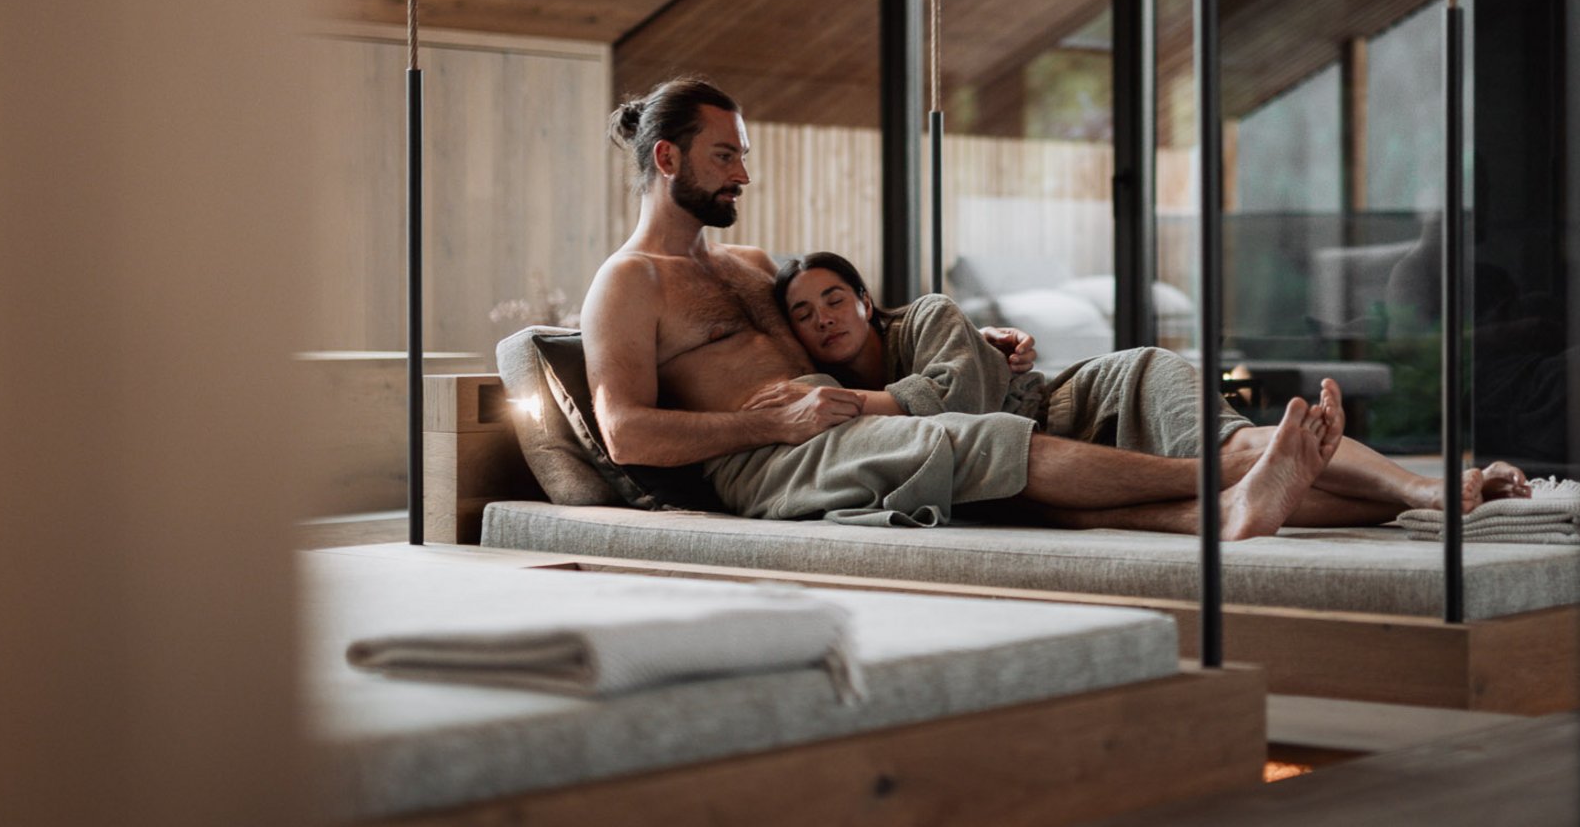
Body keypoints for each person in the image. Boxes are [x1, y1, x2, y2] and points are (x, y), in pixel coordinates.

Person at [581, 76, 1343, 537]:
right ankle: (1226, 482)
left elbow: (851, 323)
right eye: (726, 155)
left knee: (1001, 448)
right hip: (768, 463)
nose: (743, 174)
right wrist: (770, 423)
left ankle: (1327, 501)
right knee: (978, 438)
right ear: (666, 158)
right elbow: (624, 434)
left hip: (840, 427)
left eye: (744, 155)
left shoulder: (749, 266)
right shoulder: (627, 284)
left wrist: (973, 339)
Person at [775, 250, 1531, 528]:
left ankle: (1428, 491)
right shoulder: (817, 387)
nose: (824, 320)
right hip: (1049, 464)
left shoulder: (931, 317)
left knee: (1238, 448)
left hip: (1094, 397)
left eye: (834, 299)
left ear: (866, 301)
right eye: (805, 316)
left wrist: (867, 403)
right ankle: (1407, 499)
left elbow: (962, 403)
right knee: (1264, 486)